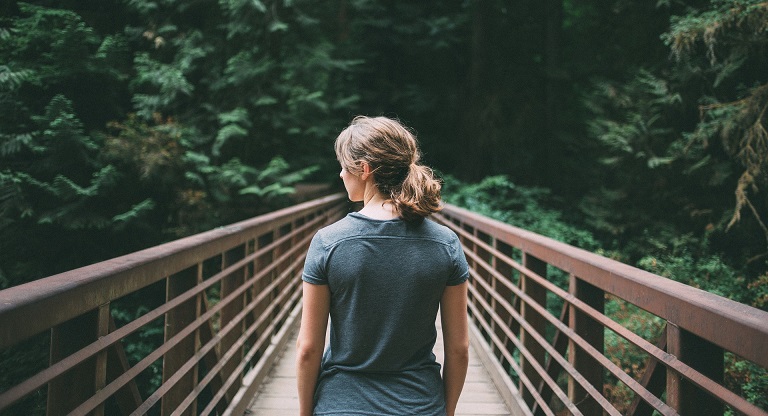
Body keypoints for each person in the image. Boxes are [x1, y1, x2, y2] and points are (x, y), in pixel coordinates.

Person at [296, 115, 470, 416]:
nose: (340, 174)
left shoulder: (328, 242)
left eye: (343, 166)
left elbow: (308, 349)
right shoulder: (445, 244)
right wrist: (447, 411)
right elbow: (459, 349)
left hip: (342, 405)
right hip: (420, 405)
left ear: (364, 170)